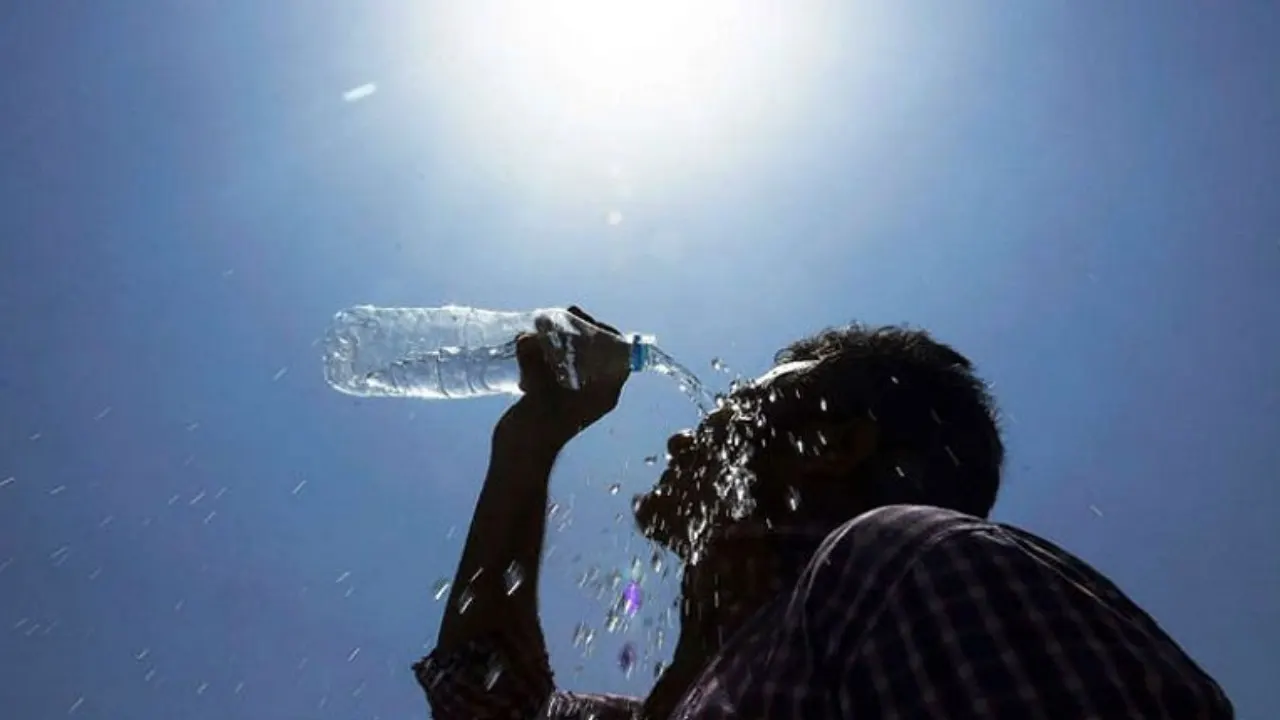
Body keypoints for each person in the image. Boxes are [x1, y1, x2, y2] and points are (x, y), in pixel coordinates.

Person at [414, 307, 1233, 719]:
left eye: (735, 405)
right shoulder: (706, 687)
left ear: (834, 447)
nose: (682, 429)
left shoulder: (903, 564)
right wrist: (530, 438)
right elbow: (484, 696)